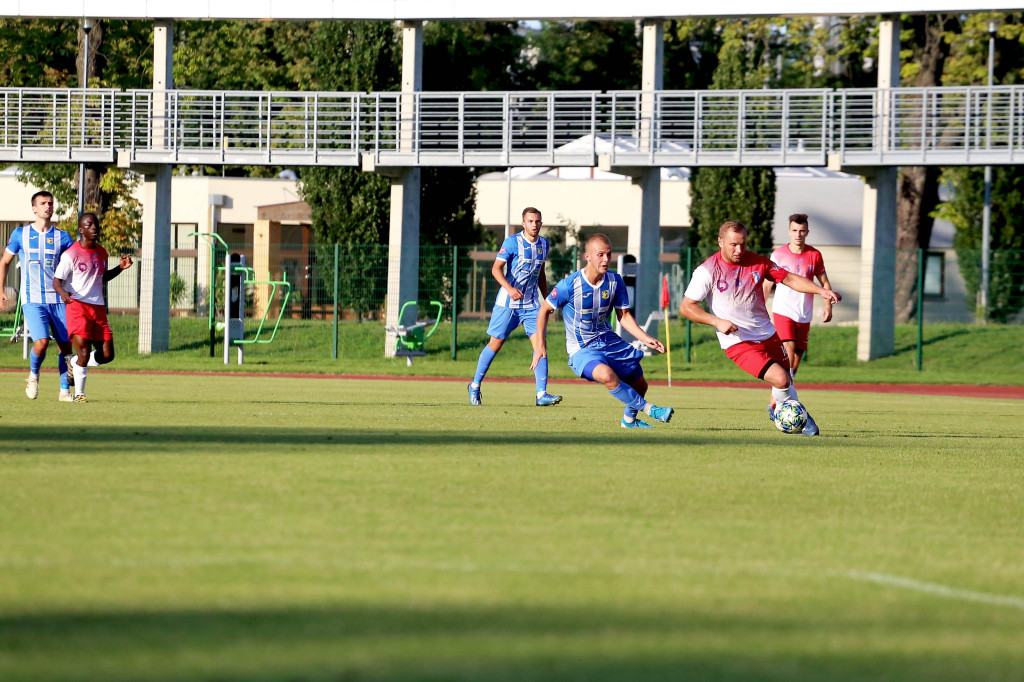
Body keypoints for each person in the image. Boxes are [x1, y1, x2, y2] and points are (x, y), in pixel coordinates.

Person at [679, 221, 840, 436]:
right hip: (738, 341)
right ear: (720, 242)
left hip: (767, 333)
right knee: (780, 379)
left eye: (743, 244)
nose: (739, 250)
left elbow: (790, 278)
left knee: (787, 379)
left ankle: (782, 409)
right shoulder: (707, 271)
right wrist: (717, 321)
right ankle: (792, 414)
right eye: (733, 245)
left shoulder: (758, 262)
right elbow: (686, 307)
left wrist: (820, 291)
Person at [531, 233, 673, 429]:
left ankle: (629, 421)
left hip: (609, 342)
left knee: (641, 385)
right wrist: (539, 345)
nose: (606, 259)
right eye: (600, 255)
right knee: (607, 376)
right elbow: (544, 309)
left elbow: (624, 315)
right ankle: (651, 410)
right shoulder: (570, 285)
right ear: (587, 256)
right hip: (582, 349)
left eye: (609, 254)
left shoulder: (615, 281)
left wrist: (646, 338)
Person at [468, 206, 562, 407]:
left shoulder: (544, 244)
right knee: (495, 343)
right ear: (523, 223)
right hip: (508, 304)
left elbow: (541, 274)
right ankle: (475, 385)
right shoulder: (512, 242)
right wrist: (510, 288)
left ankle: (541, 394)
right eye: (530, 221)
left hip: (531, 305)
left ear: (541, 223)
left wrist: (547, 299)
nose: (534, 224)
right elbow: (496, 269)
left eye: (537, 221)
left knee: (540, 345)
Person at [0, 191, 76, 401]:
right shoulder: (20, 234)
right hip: (32, 299)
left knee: (65, 346)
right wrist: (0, 290)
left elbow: (74, 264)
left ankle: (64, 391)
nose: (47, 206)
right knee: (41, 342)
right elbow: (5, 262)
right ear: (34, 208)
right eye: (43, 203)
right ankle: (33, 375)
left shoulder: (62, 237)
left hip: (58, 299)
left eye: (50, 203)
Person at [52, 212, 133, 403]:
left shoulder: (102, 252)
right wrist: (63, 293)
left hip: (98, 308)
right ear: (81, 230)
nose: (94, 227)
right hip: (77, 306)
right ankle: (80, 394)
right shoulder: (70, 254)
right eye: (89, 225)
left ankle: (72, 362)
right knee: (84, 352)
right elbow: (57, 281)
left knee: (107, 355)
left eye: (96, 224)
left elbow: (101, 278)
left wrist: (119, 268)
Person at [763, 213, 833, 378]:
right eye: (794, 230)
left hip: (804, 313)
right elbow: (767, 284)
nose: (798, 234)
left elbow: (824, 283)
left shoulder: (814, 255)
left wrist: (828, 306)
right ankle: (780, 396)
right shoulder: (778, 254)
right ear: (789, 231)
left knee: (796, 358)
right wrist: (761, 308)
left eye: (802, 231)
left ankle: (782, 391)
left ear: (807, 232)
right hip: (783, 310)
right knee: (789, 348)